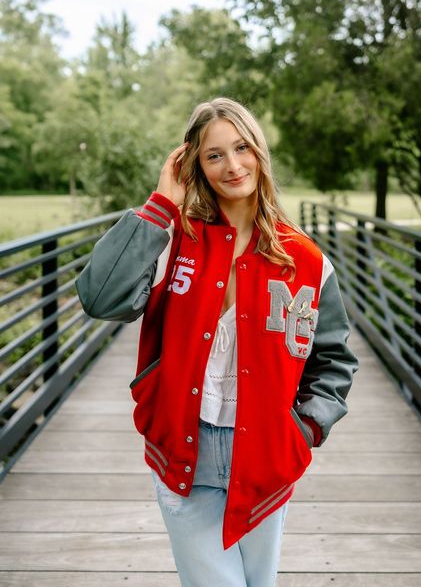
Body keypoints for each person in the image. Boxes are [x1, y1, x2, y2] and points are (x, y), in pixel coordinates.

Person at [76, 97, 358, 587]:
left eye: (242, 148)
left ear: (259, 153)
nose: (232, 165)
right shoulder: (174, 240)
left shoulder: (307, 261)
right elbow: (101, 298)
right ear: (194, 166)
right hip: (186, 450)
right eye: (214, 155)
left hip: (268, 456)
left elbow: (334, 358)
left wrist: (306, 427)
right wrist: (160, 205)